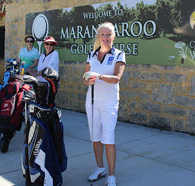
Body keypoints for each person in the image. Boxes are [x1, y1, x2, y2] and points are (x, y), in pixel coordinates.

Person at [82, 22, 126, 186]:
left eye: (109, 35)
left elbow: (116, 79)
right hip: (92, 102)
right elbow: (85, 77)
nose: (106, 38)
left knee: (108, 139)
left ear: (113, 37)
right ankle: (100, 168)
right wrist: (88, 80)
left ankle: (112, 175)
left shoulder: (119, 54)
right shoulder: (91, 54)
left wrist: (99, 76)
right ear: (98, 37)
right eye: (103, 34)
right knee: (95, 137)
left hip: (109, 103)